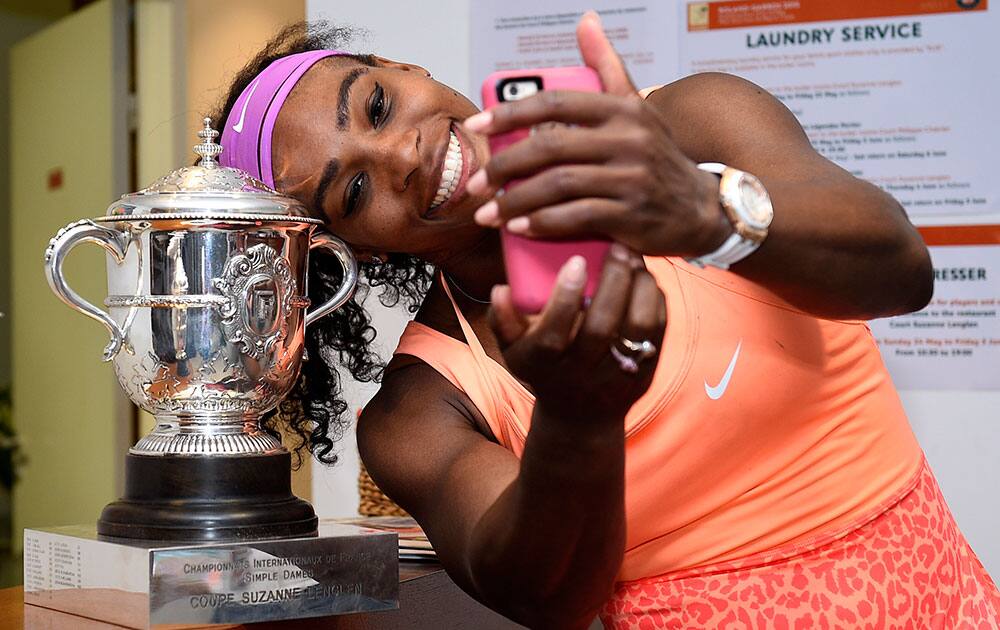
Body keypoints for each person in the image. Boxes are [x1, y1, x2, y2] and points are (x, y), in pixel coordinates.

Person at [215, 13, 1000, 629]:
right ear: (362, 253)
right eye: (352, 194)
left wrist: (707, 212)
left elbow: (901, 270)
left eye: (378, 106)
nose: (402, 156)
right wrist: (578, 415)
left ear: (409, 73)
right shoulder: (423, 406)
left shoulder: (690, 130)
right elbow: (543, 597)